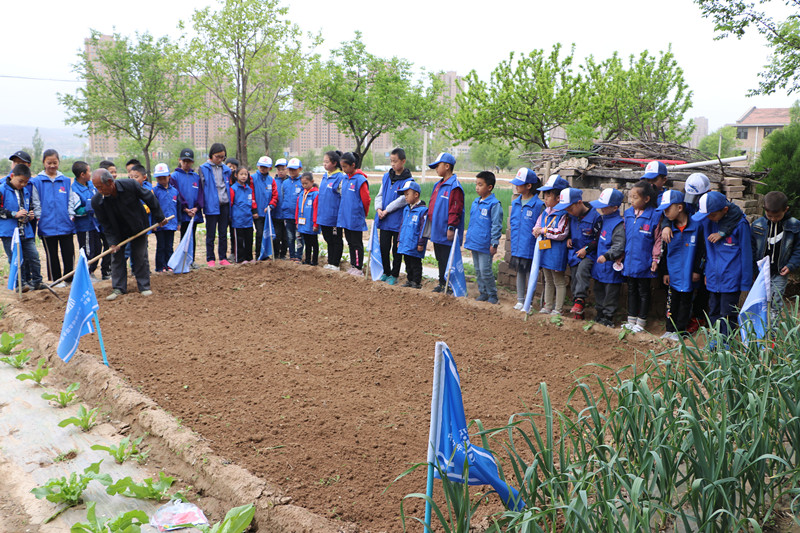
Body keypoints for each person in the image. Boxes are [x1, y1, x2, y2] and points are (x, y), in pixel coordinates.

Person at [91, 169, 166, 300]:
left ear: (110, 182)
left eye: (100, 187)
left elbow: (149, 198)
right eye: (96, 188)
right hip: (116, 231)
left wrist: (159, 217)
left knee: (140, 256)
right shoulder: (97, 201)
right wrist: (112, 242)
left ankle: (144, 286)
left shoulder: (130, 185)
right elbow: (106, 224)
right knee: (117, 258)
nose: (99, 190)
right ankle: (118, 288)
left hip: (137, 227)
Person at [692, 191, 753, 338]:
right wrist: (706, 272)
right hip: (713, 277)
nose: (708, 218)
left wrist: (745, 282)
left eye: (712, 215)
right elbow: (707, 251)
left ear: (724, 210)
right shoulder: (708, 221)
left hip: (731, 279)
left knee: (727, 313)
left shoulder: (741, 225)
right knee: (713, 310)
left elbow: (746, 254)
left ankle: (725, 343)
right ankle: (715, 340)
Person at [656, 190, 705, 340]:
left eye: (667, 209)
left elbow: (702, 251)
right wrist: (665, 272)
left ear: (679, 208)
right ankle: (669, 329)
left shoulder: (697, 226)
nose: (665, 213)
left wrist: (698, 270)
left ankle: (680, 331)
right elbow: (664, 252)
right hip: (673, 273)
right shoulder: (668, 230)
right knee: (671, 303)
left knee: (685, 303)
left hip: (689, 273)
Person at [751, 190, 800, 324]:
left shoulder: (795, 225)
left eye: (777, 216)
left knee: (775, 302)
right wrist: (753, 271)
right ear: (764, 210)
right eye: (769, 215)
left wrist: (791, 265)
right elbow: (752, 249)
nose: (773, 219)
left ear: (786, 210)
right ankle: (760, 330)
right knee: (760, 301)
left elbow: (798, 249)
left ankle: (773, 333)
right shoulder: (757, 225)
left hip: (780, 271)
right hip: (761, 272)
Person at [553, 188, 600, 320]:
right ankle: (578, 310)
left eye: (570, 208)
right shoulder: (571, 216)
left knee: (582, 271)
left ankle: (579, 301)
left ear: (579, 203)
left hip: (589, 254)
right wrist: (568, 237)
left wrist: (587, 249)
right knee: (574, 278)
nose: (568, 212)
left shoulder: (595, 217)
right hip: (575, 254)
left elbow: (598, 239)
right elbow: (568, 230)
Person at [420, 152, 464, 293]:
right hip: (436, 228)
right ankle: (441, 282)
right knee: (439, 257)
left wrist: (451, 227)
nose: (436, 169)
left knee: (447, 257)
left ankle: (448, 285)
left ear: (447, 166)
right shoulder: (437, 185)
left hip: (446, 230)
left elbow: (455, 208)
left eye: (437, 166)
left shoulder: (454, 186)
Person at [621, 181, 662, 333]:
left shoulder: (655, 215)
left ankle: (642, 321)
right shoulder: (628, 213)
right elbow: (624, 236)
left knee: (644, 291)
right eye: (630, 197)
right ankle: (631, 320)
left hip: (644, 261)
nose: (631, 201)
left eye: (635, 197)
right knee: (631, 289)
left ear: (646, 199)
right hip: (630, 259)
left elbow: (658, 239)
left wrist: (655, 258)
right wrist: (621, 255)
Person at [30, 149, 75, 286]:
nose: (52, 165)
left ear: (58, 162)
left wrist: (70, 215)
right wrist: (40, 218)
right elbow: (36, 202)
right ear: (44, 162)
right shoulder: (37, 181)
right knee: (52, 255)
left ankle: (69, 279)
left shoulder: (65, 181)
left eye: (55, 162)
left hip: (65, 223)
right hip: (46, 224)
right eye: (49, 163)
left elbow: (70, 200)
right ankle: (56, 280)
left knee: (69, 253)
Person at [0, 164, 43, 291]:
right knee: (16, 258)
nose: (23, 184)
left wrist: (30, 215)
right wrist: (14, 214)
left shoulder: (26, 191)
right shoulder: (2, 190)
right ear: (12, 176)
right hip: (9, 232)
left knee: (34, 256)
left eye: (26, 182)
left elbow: (29, 207)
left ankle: (37, 282)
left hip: (26, 230)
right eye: (21, 181)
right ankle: (20, 284)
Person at [375, 148, 414, 285]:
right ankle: (386, 272)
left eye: (395, 161)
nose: (393, 164)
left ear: (403, 161)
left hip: (398, 220)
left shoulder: (408, 180)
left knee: (396, 249)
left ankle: (394, 274)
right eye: (391, 161)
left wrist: (387, 210)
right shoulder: (386, 176)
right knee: (383, 247)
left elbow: (403, 199)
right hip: (384, 219)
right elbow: (380, 194)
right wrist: (379, 208)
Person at [533, 175, 570, 315]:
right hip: (546, 250)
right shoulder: (545, 212)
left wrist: (544, 231)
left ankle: (558, 309)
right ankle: (547, 306)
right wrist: (536, 231)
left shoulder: (563, 214)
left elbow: (561, 232)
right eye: (545, 195)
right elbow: (537, 225)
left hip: (557, 251)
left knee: (558, 280)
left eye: (548, 195)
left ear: (558, 198)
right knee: (548, 279)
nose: (546, 198)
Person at [464, 171, 503, 304]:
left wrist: (494, 243)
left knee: (485, 270)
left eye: (480, 185)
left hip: (485, 244)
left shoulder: (494, 204)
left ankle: (493, 294)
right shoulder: (476, 202)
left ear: (490, 187)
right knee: (478, 270)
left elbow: (496, 225)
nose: (477, 187)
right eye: (476, 184)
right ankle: (483, 292)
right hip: (475, 241)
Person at [508, 168, 544, 311]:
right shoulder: (516, 203)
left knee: (531, 273)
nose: (516, 186)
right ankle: (520, 299)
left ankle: (528, 301)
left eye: (519, 183)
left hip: (530, 246)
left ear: (529, 186)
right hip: (517, 245)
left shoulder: (538, 205)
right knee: (520, 272)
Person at [590, 188, 626, 328]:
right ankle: (599, 313)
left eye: (605, 207)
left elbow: (619, 245)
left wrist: (607, 256)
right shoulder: (603, 220)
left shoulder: (618, 224)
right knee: (598, 289)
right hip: (599, 266)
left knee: (610, 293)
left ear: (615, 207)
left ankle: (608, 316)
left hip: (610, 266)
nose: (601, 209)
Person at [337, 152, 371, 275]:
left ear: (353, 165)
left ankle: (358, 266)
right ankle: (353, 264)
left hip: (355, 217)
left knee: (357, 243)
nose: (343, 169)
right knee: (350, 242)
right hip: (346, 217)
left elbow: (366, 199)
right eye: (342, 166)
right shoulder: (345, 178)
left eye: (345, 166)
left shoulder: (360, 180)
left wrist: (364, 213)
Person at [198, 143, 232, 267]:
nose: (220, 159)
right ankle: (210, 258)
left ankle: (223, 257)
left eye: (222, 157)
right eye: (218, 156)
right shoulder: (203, 168)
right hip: (211, 204)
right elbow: (201, 188)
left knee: (223, 232)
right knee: (211, 233)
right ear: (211, 155)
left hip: (224, 204)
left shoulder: (227, 170)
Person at [170, 148, 204, 268]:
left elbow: (200, 193)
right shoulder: (174, 176)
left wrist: (196, 208)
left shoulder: (195, 177)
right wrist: (185, 208)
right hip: (183, 213)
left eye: (189, 161)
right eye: (184, 161)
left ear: (192, 162)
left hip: (194, 213)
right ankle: (183, 260)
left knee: (192, 236)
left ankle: (191, 260)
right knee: (184, 236)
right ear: (180, 160)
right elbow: (177, 193)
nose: (186, 163)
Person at [70, 161, 102, 279]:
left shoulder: (91, 185)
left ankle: (92, 269)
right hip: (84, 226)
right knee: (88, 250)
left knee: (98, 247)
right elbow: (77, 210)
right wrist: (90, 207)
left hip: (94, 224)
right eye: (89, 171)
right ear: (82, 174)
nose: (91, 173)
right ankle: (87, 273)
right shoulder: (74, 190)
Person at [318, 150, 345, 271]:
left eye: (327, 162)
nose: (324, 164)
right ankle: (330, 262)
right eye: (323, 162)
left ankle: (335, 263)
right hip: (324, 215)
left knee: (336, 240)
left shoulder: (340, 177)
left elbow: (343, 197)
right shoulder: (325, 176)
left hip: (335, 216)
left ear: (334, 163)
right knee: (328, 239)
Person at [399, 181, 427, 289]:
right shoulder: (406, 209)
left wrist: (421, 242)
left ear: (416, 195)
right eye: (404, 195)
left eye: (407, 194)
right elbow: (402, 225)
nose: (405, 197)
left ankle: (416, 281)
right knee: (407, 262)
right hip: (405, 242)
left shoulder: (422, 210)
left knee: (415, 263)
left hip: (415, 243)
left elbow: (423, 228)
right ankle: (409, 280)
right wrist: (399, 240)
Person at [152, 163, 179, 272]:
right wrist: (154, 223)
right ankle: (159, 267)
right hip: (159, 225)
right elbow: (153, 208)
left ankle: (169, 265)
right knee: (161, 246)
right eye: (159, 178)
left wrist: (178, 222)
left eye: (164, 177)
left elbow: (178, 207)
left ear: (169, 176)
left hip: (171, 224)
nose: (162, 180)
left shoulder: (175, 191)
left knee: (169, 246)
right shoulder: (154, 191)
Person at [252, 156, 279, 260]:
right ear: (258, 166)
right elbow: (251, 194)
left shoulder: (271, 180)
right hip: (257, 213)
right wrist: (254, 210)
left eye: (265, 167)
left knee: (268, 234)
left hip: (268, 213)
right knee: (259, 234)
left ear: (270, 168)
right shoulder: (253, 178)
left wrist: (271, 206)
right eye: (261, 166)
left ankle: (266, 254)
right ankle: (258, 255)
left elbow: (275, 196)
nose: (263, 169)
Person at [229, 166, 257, 263]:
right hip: (238, 220)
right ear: (236, 175)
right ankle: (240, 259)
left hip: (248, 220)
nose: (244, 176)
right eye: (241, 174)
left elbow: (252, 202)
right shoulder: (233, 189)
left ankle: (249, 257)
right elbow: (230, 204)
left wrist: (254, 212)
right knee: (239, 241)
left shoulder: (249, 189)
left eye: (245, 174)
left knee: (249, 240)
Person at [279, 158, 304, 262]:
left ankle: (298, 256)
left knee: (299, 237)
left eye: (294, 169)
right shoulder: (285, 183)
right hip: (288, 215)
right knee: (290, 237)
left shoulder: (303, 182)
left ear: (300, 169)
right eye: (290, 169)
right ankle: (292, 255)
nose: (292, 171)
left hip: (299, 216)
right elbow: (283, 196)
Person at [296, 172, 320, 266]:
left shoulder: (315, 194)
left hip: (311, 223)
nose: (304, 185)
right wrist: (297, 221)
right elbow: (297, 209)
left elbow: (316, 210)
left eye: (306, 183)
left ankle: (314, 261)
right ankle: (307, 260)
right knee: (307, 242)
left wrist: (315, 223)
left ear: (312, 182)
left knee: (314, 242)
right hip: (303, 223)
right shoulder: (302, 194)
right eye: (302, 184)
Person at [272, 158, 289, 259]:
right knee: (276, 236)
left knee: (286, 237)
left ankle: (283, 254)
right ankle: (276, 253)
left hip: (287, 215)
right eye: (279, 169)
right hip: (276, 214)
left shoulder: (290, 182)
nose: (281, 171)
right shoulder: (273, 182)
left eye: (283, 169)